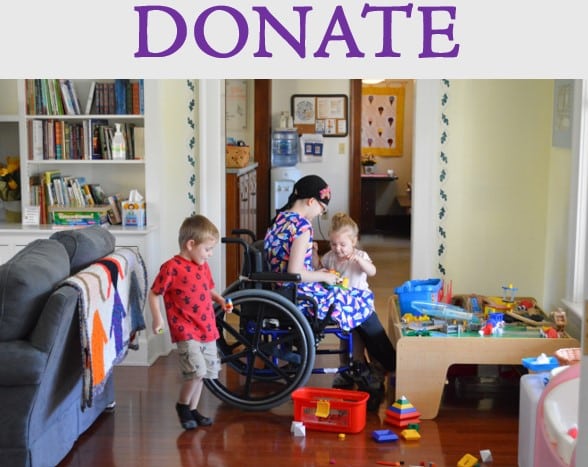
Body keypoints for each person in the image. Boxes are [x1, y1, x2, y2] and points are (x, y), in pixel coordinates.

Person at [264, 175, 396, 408]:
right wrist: (324, 276)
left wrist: (319, 269)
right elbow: (295, 272)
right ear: (311, 202)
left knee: (357, 300)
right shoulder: (301, 226)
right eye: (321, 209)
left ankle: (368, 364)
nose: (319, 215)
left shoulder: (280, 219)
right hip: (298, 293)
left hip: (284, 290)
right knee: (361, 302)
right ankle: (385, 363)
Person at [149, 214, 232, 430]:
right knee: (196, 371)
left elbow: (208, 289)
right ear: (190, 244)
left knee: (205, 373)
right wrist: (158, 318)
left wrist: (220, 300)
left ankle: (193, 410)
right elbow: (155, 293)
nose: (210, 254)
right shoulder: (172, 267)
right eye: (207, 249)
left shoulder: (202, 265)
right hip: (185, 329)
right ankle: (183, 405)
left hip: (207, 327)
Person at [320, 212, 382, 390]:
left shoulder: (360, 255)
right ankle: (346, 369)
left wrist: (360, 261)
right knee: (345, 337)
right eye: (333, 244)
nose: (338, 249)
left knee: (362, 335)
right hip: (341, 303)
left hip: (359, 302)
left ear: (353, 242)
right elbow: (319, 268)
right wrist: (316, 257)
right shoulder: (330, 257)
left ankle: (363, 366)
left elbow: (372, 271)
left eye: (343, 245)